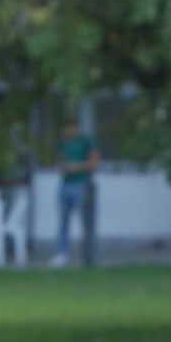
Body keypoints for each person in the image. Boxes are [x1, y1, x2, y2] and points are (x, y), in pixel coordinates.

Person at [54, 109, 101, 268]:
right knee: (63, 222)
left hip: (82, 185)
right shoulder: (63, 143)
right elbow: (59, 164)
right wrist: (64, 167)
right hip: (65, 185)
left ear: (76, 127)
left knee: (86, 222)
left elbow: (94, 163)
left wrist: (76, 166)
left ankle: (88, 256)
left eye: (71, 127)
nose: (68, 131)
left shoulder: (86, 141)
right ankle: (62, 254)